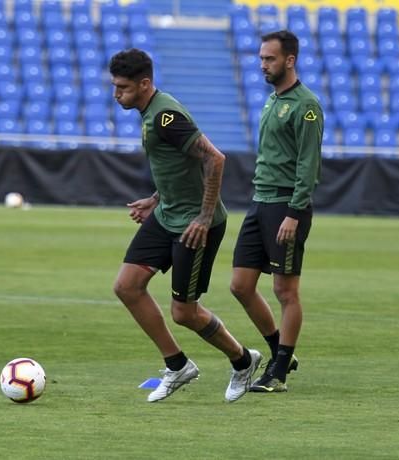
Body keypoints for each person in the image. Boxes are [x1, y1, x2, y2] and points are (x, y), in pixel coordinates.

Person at [110, 48, 261, 403]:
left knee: (185, 313)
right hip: (168, 215)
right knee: (127, 287)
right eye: (115, 86)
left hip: (195, 225)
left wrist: (204, 217)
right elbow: (176, 167)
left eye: (123, 87)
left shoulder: (166, 117)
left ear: (145, 84)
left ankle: (242, 360)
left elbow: (214, 158)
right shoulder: (149, 113)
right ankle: (177, 365)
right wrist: (156, 198)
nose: (117, 94)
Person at [230, 31, 323, 393]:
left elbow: (308, 164)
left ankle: (279, 372)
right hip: (260, 201)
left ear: (290, 60)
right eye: (261, 58)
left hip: (287, 206)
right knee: (240, 286)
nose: (262, 65)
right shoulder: (272, 101)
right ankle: (278, 350)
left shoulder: (306, 105)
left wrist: (295, 212)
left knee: (286, 291)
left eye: (269, 59)